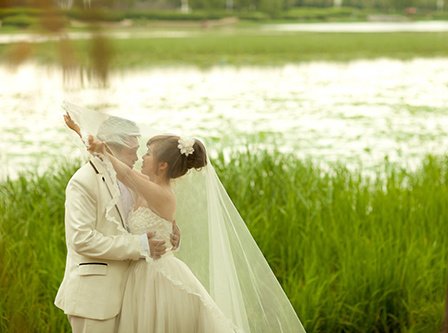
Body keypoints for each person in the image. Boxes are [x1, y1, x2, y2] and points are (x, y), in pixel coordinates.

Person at [64, 108, 306, 333]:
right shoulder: (93, 182)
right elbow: (85, 236)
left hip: (156, 281)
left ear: (162, 165)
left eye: (145, 152)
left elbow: (125, 174)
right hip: (120, 288)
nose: (139, 156)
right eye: (135, 150)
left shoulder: (147, 187)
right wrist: (83, 134)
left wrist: (160, 231)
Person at [55, 114, 180, 333]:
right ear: (114, 149)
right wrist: (141, 246)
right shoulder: (82, 182)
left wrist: (169, 227)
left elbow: (152, 208)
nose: (137, 157)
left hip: (132, 296)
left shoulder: (129, 179)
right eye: (133, 150)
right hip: (94, 301)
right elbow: (81, 239)